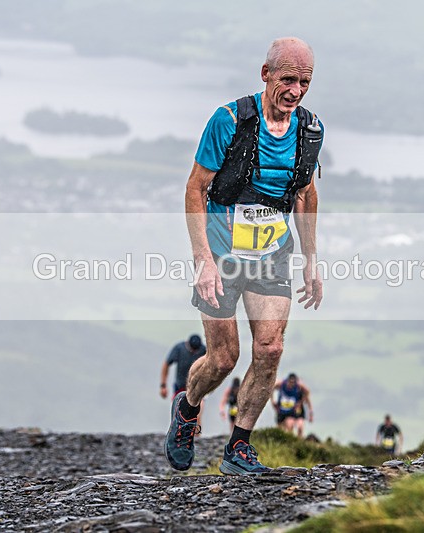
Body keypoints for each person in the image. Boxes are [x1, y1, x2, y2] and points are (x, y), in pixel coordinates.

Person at [164, 37, 324, 476]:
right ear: (265, 74)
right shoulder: (228, 120)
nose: (295, 91)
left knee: (270, 348)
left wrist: (311, 259)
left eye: (304, 82)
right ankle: (188, 405)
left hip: (272, 252)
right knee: (223, 359)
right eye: (287, 79)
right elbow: (196, 188)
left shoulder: (311, 130)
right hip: (221, 252)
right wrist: (202, 259)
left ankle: (239, 446)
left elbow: (307, 194)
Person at [160, 334, 206, 425]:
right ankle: (176, 435)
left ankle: (196, 437)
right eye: (192, 350)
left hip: (197, 387)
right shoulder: (179, 348)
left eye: (196, 351)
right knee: (178, 414)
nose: (194, 352)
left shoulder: (203, 350)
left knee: (197, 413)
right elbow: (166, 364)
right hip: (180, 386)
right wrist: (163, 385)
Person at [273, 373, 313, 438]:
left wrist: (310, 413)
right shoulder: (282, 384)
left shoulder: (300, 389)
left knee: (293, 425)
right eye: (290, 382)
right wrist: (273, 401)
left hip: (294, 412)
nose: (292, 384)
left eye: (293, 383)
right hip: (282, 411)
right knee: (279, 428)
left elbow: (308, 399)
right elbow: (272, 387)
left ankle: (294, 440)